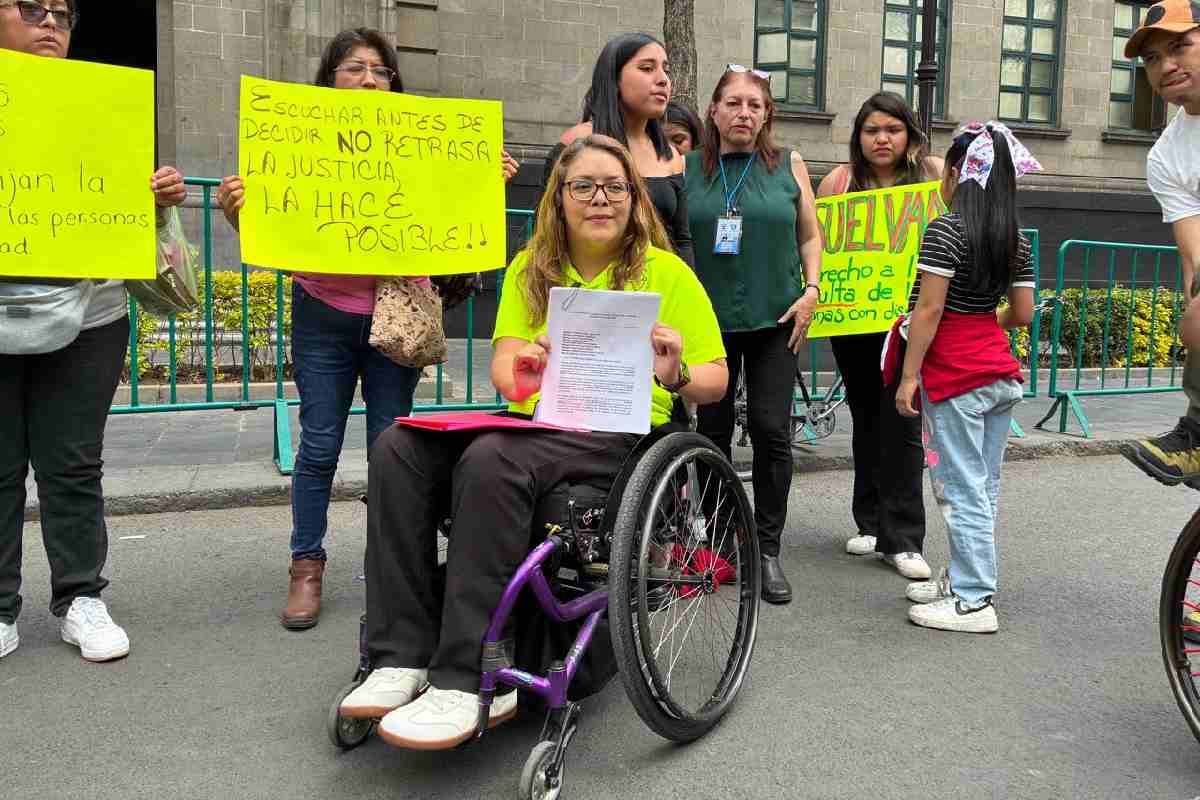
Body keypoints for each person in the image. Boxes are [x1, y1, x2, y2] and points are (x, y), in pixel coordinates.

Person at [339, 135, 727, 750]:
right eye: (583, 186)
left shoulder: (668, 273)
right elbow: (505, 373)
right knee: (397, 447)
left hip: (621, 430)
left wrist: (675, 370)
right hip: (539, 419)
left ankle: (467, 676)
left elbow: (716, 379)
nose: (600, 198)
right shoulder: (529, 270)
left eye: (615, 187)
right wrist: (524, 368)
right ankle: (399, 652)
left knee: (492, 460)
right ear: (559, 198)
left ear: (634, 199)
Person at [216, 28, 520, 631]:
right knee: (319, 445)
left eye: (381, 70)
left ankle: (394, 570)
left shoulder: (420, 145)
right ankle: (306, 566)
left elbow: (454, 218)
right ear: (329, 79)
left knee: (393, 448)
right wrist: (238, 211)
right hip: (322, 314)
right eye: (354, 67)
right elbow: (272, 229)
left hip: (397, 314)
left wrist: (484, 186)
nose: (369, 79)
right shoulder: (297, 140)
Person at [0, 0, 188, 661]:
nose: (51, 22)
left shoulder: (104, 105)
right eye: (32, 8)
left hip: (92, 312)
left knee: (73, 463)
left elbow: (122, 212)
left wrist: (157, 199)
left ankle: (81, 597)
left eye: (63, 13)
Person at [894, 121, 1041, 633]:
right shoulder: (1015, 239)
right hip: (999, 373)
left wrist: (908, 376)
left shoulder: (946, 230)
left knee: (959, 488)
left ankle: (974, 600)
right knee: (982, 486)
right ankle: (963, 579)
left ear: (957, 173)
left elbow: (929, 310)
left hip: (955, 377)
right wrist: (981, 321)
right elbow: (1022, 313)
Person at [685, 64, 823, 605]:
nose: (744, 113)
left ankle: (766, 548)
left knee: (771, 429)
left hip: (777, 318)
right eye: (733, 103)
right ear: (714, 110)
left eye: (755, 105)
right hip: (709, 321)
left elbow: (809, 235)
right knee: (712, 430)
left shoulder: (789, 164)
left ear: (767, 115)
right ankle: (722, 543)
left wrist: (812, 290)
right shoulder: (687, 167)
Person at [816, 92, 943, 580]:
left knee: (904, 419)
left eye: (892, 129)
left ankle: (904, 538)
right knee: (867, 417)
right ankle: (869, 522)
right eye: (872, 130)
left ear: (909, 134)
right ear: (858, 137)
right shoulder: (838, 182)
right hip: (853, 320)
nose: (882, 139)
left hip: (910, 321)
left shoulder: (932, 177)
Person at [1121, 1, 1200, 488]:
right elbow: (1195, 253)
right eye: (1152, 58)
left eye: (1180, 47)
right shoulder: (1167, 156)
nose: (1166, 65)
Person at [548, 33, 694, 266]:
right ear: (614, 79)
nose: (663, 80)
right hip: (591, 282)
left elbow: (682, 240)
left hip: (658, 283)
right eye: (647, 68)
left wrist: (686, 286)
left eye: (666, 70)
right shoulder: (576, 143)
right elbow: (548, 227)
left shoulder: (670, 156)